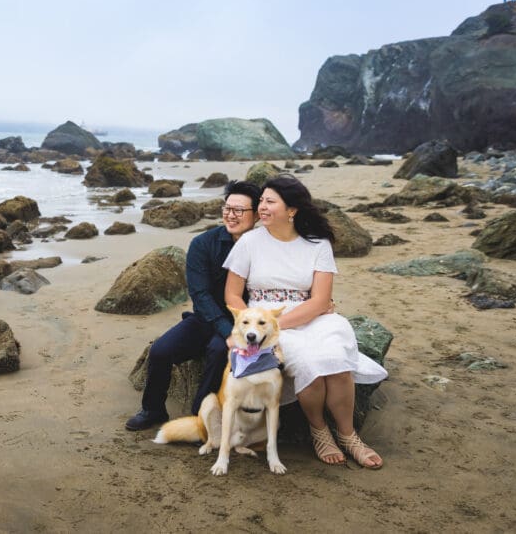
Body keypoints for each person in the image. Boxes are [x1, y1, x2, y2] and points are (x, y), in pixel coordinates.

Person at [223, 175, 387, 468]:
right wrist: (254, 326)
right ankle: (319, 430)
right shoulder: (249, 242)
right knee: (309, 365)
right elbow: (233, 295)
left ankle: (348, 435)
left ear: (292, 210)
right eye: (261, 201)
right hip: (265, 324)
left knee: (336, 360)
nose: (262, 207)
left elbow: (321, 300)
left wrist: (279, 322)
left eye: (270, 202)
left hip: (314, 317)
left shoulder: (317, 244)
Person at [125, 180, 262, 431]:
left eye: (239, 210)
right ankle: (153, 409)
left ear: (256, 214)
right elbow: (199, 294)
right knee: (160, 350)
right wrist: (225, 328)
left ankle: (200, 414)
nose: (231, 215)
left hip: (245, 322)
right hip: (204, 318)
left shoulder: (264, 247)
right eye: (227, 208)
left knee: (218, 351)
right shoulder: (202, 244)